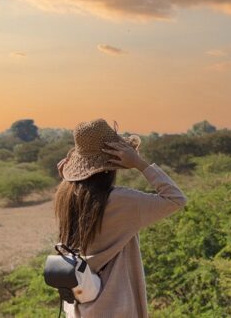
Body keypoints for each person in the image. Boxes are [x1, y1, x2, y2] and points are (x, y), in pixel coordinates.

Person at [54, 119, 187, 317]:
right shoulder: (121, 200)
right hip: (115, 306)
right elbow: (176, 199)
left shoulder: (65, 196)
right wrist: (140, 164)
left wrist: (68, 179)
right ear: (112, 163)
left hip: (79, 304)